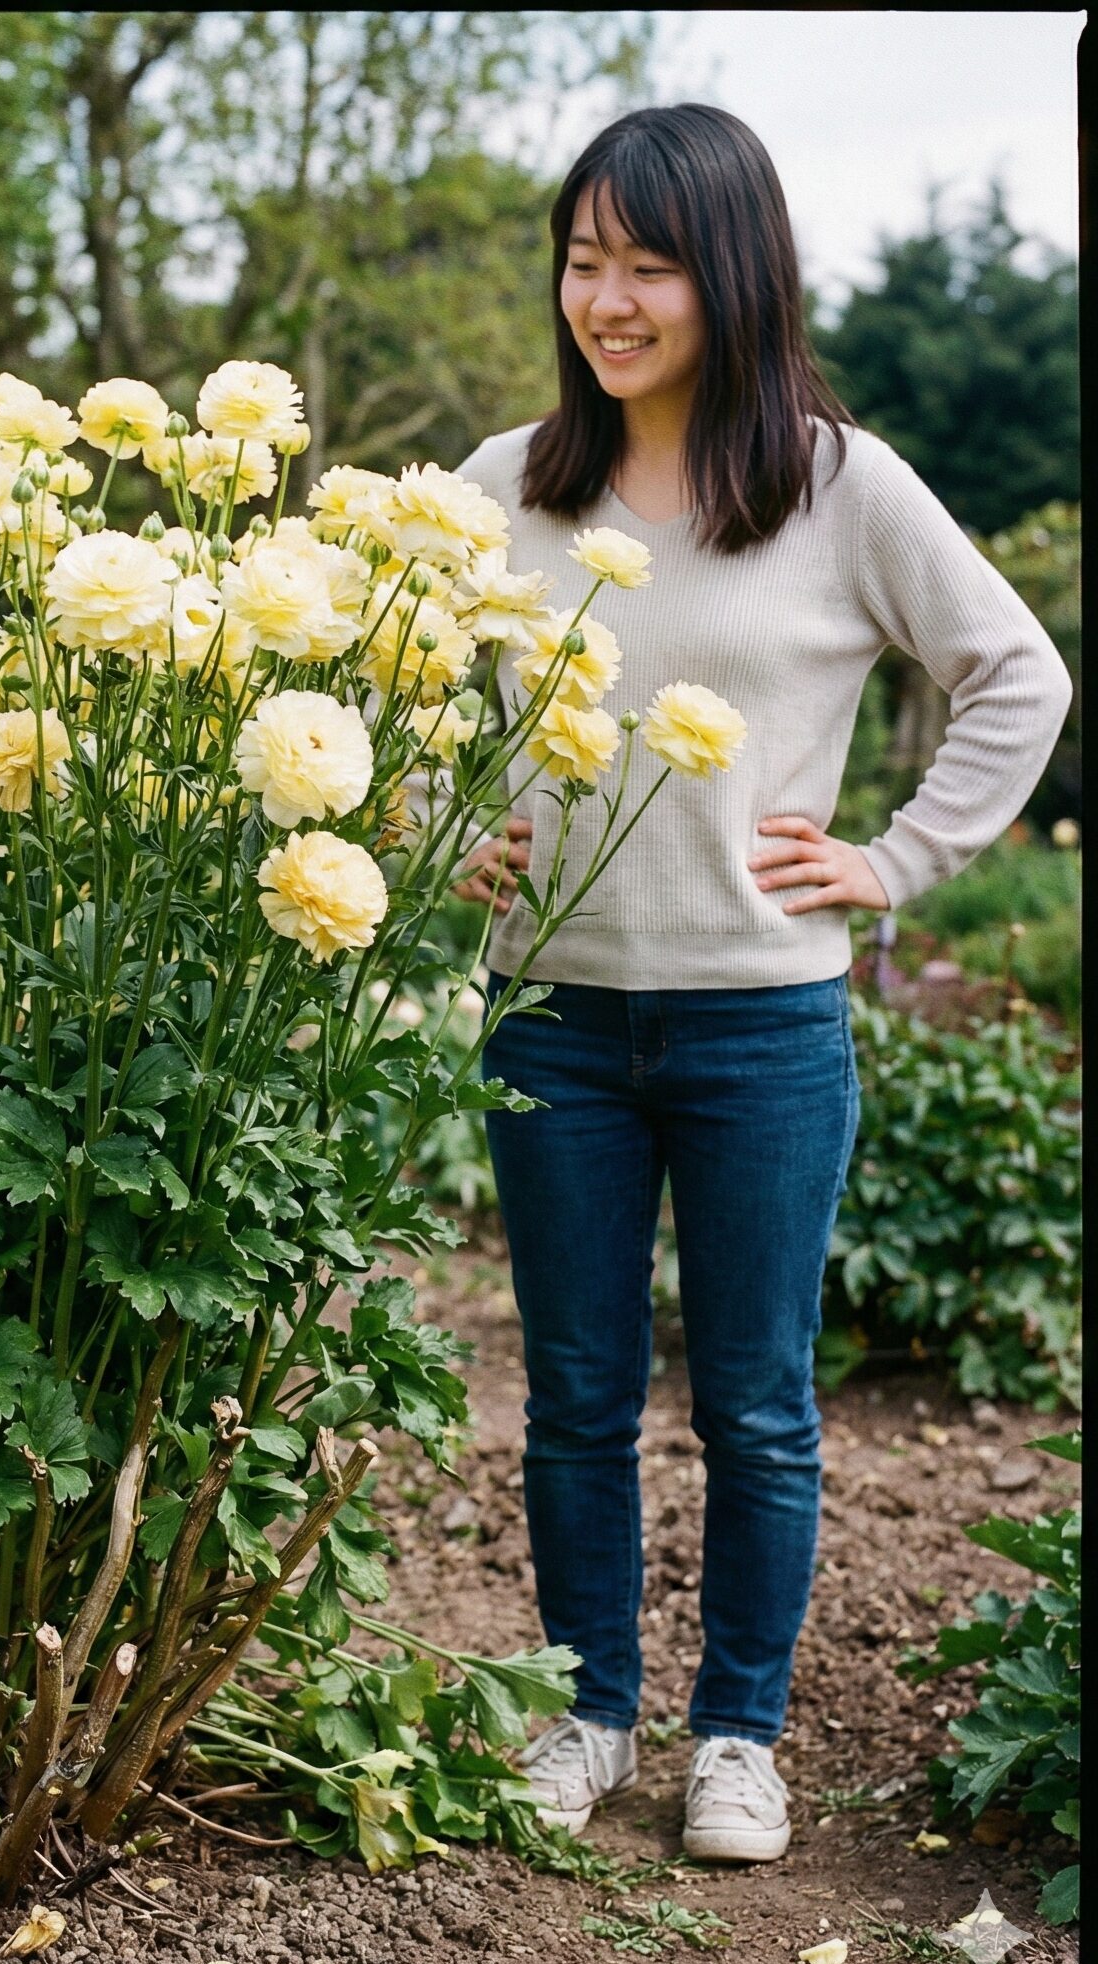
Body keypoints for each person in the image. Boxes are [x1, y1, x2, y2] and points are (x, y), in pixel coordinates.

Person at [450, 104, 1073, 1863]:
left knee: (755, 1401)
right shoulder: (511, 483)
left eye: (649, 263)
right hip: (550, 1021)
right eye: (584, 259)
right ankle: (585, 1715)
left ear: (731, 273)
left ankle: (739, 1737)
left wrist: (895, 861)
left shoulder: (830, 481)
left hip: (761, 1026)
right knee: (574, 1392)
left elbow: (1012, 674)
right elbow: (414, 693)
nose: (610, 298)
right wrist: (448, 835)